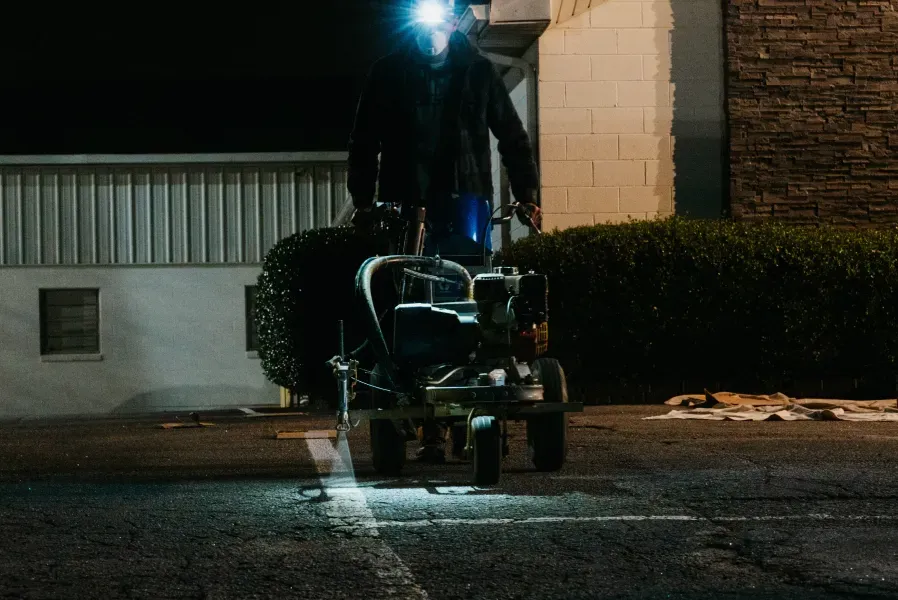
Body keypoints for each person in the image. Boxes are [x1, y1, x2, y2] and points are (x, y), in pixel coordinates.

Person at [347, 0, 541, 463]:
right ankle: (425, 426)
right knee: (407, 305)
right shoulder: (388, 72)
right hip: (404, 205)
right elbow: (363, 140)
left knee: (471, 300)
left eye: (439, 22)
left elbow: (512, 137)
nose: (430, 33)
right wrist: (363, 202)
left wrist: (528, 194)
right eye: (422, 22)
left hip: (466, 200)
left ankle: (473, 410)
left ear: (454, 23)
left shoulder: (478, 72)